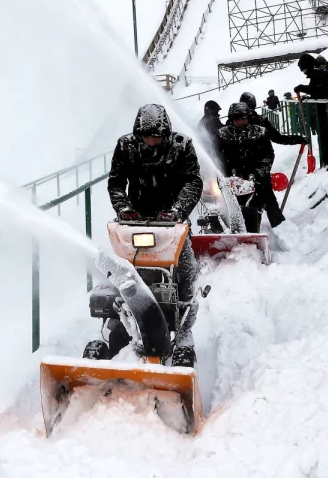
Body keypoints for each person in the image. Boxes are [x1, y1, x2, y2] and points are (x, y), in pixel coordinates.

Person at [107, 103, 201, 367]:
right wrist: (124, 208)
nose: (151, 141)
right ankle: (120, 320)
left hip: (172, 222)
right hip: (135, 221)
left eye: (157, 136)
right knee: (125, 272)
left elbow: (193, 181)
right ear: (138, 134)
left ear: (166, 133)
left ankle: (183, 327)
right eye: (146, 137)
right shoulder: (126, 146)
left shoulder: (182, 147)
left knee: (183, 270)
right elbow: (115, 181)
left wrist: (177, 211)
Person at [216, 102, 285, 231]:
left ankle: (280, 229)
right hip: (230, 180)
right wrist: (224, 174)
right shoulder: (223, 134)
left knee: (267, 201)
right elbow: (215, 155)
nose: (240, 122)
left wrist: (257, 173)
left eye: (243, 118)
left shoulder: (259, 132)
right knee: (227, 207)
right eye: (237, 119)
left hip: (258, 178)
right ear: (231, 119)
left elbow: (268, 155)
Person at [294, 53, 328, 172]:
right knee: (327, 138)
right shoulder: (317, 73)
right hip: (326, 111)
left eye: (303, 69)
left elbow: (318, 90)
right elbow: (317, 91)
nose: (303, 72)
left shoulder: (318, 73)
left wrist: (303, 89)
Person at [239, 91, 307, 149]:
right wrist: (298, 139)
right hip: (259, 160)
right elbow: (278, 138)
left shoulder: (232, 121)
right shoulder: (260, 121)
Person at [195, 100, 223, 167]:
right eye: (216, 112)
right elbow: (218, 131)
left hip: (217, 150)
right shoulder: (207, 122)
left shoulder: (212, 120)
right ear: (211, 111)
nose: (218, 114)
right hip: (212, 152)